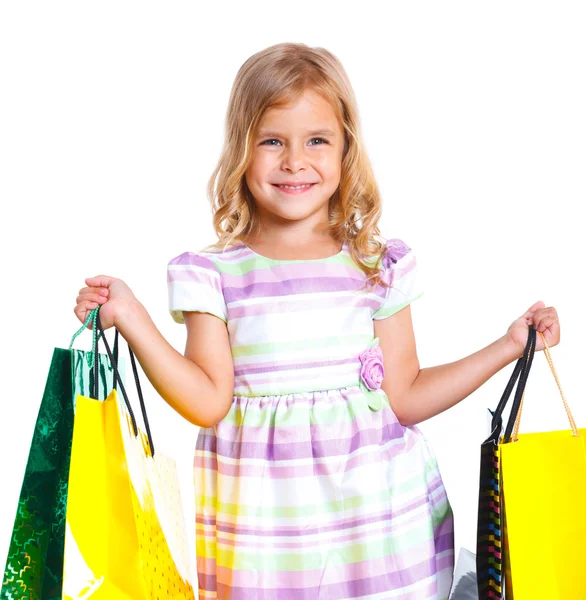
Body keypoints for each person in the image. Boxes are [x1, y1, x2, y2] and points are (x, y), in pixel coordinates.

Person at [73, 42, 560, 600]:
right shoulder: (214, 275)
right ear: (241, 150)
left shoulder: (377, 267)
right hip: (267, 547)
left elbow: (405, 394)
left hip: (381, 531)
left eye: (317, 141)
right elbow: (207, 400)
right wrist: (132, 318)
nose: (294, 161)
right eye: (272, 141)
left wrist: (506, 345)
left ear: (346, 148)